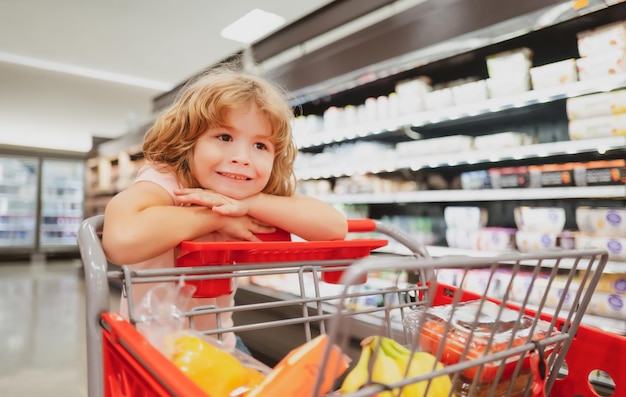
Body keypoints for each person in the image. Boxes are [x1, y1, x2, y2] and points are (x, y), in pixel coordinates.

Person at [101, 63, 348, 352]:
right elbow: (121, 240)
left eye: (260, 146)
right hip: (153, 352)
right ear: (188, 141)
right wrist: (216, 218)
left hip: (220, 345)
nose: (242, 157)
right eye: (225, 137)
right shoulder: (168, 180)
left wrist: (248, 203)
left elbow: (334, 226)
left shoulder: (252, 194)